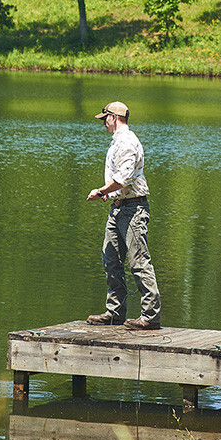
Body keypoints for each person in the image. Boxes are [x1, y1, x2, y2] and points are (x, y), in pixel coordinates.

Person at [86, 101, 161, 330]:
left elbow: (124, 178)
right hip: (118, 207)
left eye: (105, 119)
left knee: (139, 262)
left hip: (133, 209)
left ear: (114, 117)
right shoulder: (117, 140)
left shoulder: (127, 141)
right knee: (111, 259)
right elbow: (119, 180)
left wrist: (101, 191)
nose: (104, 123)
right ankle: (115, 312)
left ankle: (150, 316)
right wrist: (110, 195)